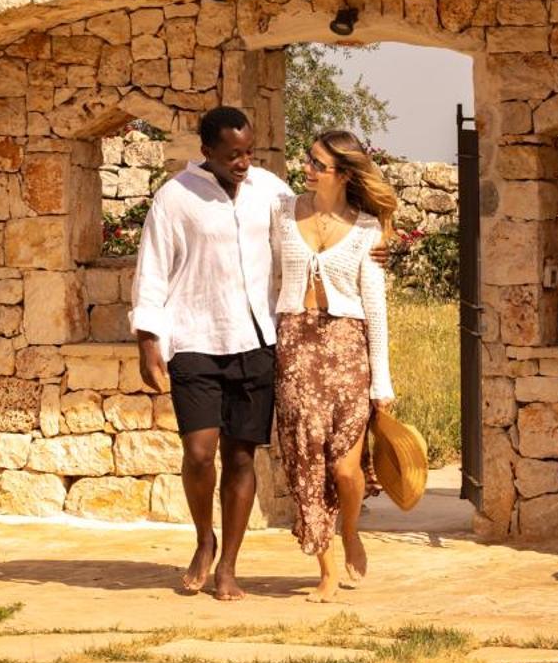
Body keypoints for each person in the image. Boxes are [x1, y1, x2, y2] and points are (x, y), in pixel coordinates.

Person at [131, 105, 293, 600]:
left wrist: (372, 240)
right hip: (195, 336)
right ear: (207, 152)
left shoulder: (271, 191)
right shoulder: (175, 198)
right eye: (232, 155)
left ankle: (229, 566)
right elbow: (153, 269)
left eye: (249, 152)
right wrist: (147, 340)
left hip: (256, 338)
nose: (243, 163)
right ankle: (205, 539)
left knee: (241, 457)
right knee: (199, 453)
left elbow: (311, 230)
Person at [273, 129, 396, 601]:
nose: (306, 169)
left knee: (346, 470)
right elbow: (269, 276)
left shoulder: (367, 230)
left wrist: (381, 381)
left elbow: (376, 307)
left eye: (317, 164)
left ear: (343, 174)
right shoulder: (283, 213)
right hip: (296, 350)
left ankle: (350, 529)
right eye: (307, 159)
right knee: (307, 463)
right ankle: (324, 566)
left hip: (348, 353)